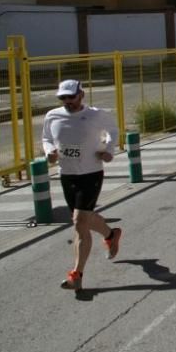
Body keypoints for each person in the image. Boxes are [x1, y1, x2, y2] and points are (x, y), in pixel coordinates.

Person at [42, 80, 122, 291]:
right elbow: (46, 138)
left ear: (81, 95)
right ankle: (111, 234)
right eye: (63, 98)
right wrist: (49, 151)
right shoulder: (53, 115)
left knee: (79, 222)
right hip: (67, 174)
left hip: (91, 173)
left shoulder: (96, 114)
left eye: (71, 97)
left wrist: (109, 150)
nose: (68, 101)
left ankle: (76, 274)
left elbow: (113, 130)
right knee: (82, 220)